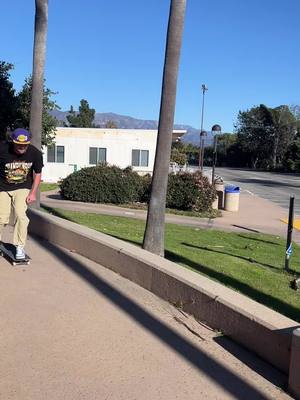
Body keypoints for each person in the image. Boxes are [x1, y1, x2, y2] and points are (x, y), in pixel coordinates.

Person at [0, 128, 43, 259]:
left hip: (23, 187)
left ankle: (19, 246)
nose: (22, 147)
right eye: (18, 144)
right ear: (13, 142)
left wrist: (33, 193)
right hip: (2, 188)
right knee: (2, 218)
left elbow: (38, 174)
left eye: (25, 145)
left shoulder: (35, 153)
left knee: (21, 215)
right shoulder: (2, 149)